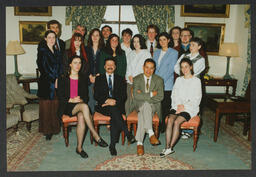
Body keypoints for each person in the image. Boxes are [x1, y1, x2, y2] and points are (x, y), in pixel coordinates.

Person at [58, 55, 108, 158]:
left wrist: (81, 100)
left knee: (81, 116)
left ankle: (79, 148)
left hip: (79, 105)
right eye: (75, 62)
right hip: (67, 106)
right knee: (85, 107)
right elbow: (59, 95)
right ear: (70, 64)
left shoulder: (83, 78)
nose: (78, 65)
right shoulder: (62, 77)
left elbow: (86, 97)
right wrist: (70, 99)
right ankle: (95, 135)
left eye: (79, 63)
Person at [160, 58, 202, 157]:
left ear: (191, 67)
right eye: (182, 67)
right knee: (170, 120)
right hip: (177, 106)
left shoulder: (196, 81)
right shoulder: (178, 80)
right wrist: (178, 104)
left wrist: (184, 106)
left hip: (189, 108)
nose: (184, 69)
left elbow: (197, 98)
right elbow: (174, 95)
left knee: (177, 122)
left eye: (186, 67)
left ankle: (170, 147)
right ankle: (167, 147)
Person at [94, 58, 136, 156]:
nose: (110, 66)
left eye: (112, 64)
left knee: (114, 114)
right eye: (107, 64)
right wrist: (107, 100)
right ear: (104, 67)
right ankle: (127, 133)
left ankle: (112, 145)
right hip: (103, 106)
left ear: (115, 67)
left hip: (117, 105)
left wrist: (114, 101)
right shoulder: (99, 78)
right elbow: (96, 95)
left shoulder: (120, 79)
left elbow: (123, 96)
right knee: (115, 112)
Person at [132, 59, 164, 156]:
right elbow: (136, 96)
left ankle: (139, 143)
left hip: (154, 106)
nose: (148, 70)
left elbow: (160, 96)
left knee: (144, 110)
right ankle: (151, 133)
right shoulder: (136, 79)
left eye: (151, 68)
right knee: (145, 106)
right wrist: (150, 94)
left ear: (154, 69)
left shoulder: (159, 80)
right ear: (143, 67)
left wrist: (143, 96)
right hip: (139, 105)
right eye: (147, 67)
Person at [37, 30, 63, 140]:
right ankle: (47, 130)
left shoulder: (56, 51)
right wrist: (54, 79)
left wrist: (59, 78)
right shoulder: (42, 51)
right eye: (50, 37)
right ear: (45, 39)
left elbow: (60, 66)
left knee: (55, 106)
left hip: (56, 81)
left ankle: (55, 128)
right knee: (46, 107)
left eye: (53, 37)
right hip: (46, 83)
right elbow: (44, 68)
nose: (52, 39)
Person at [153, 32, 178, 133]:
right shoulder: (156, 52)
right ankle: (154, 124)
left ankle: (161, 128)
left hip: (166, 84)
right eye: (160, 40)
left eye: (164, 39)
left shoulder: (174, 52)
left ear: (168, 40)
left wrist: (160, 82)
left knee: (164, 107)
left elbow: (170, 70)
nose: (162, 42)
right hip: (155, 83)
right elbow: (153, 68)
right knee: (155, 105)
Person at [125, 34, 151, 116]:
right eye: (134, 42)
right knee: (129, 102)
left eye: (138, 42)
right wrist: (129, 76)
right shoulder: (130, 54)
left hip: (141, 83)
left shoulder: (146, 53)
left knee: (140, 104)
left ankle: (141, 124)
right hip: (130, 82)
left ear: (141, 42)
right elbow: (128, 67)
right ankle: (128, 122)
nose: (136, 44)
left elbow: (148, 70)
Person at [85, 28, 105, 114]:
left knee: (100, 98)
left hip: (100, 77)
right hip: (88, 77)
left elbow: (106, 63)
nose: (95, 37)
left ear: (100, 37)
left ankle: (99, 116)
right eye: (93, 35)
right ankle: (91, 117)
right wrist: (89, 75)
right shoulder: (86, 49)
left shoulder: (104, 49)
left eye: (97, 35)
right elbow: (84, 63)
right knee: (90, 98)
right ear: (90, 37)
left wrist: (98, 75)